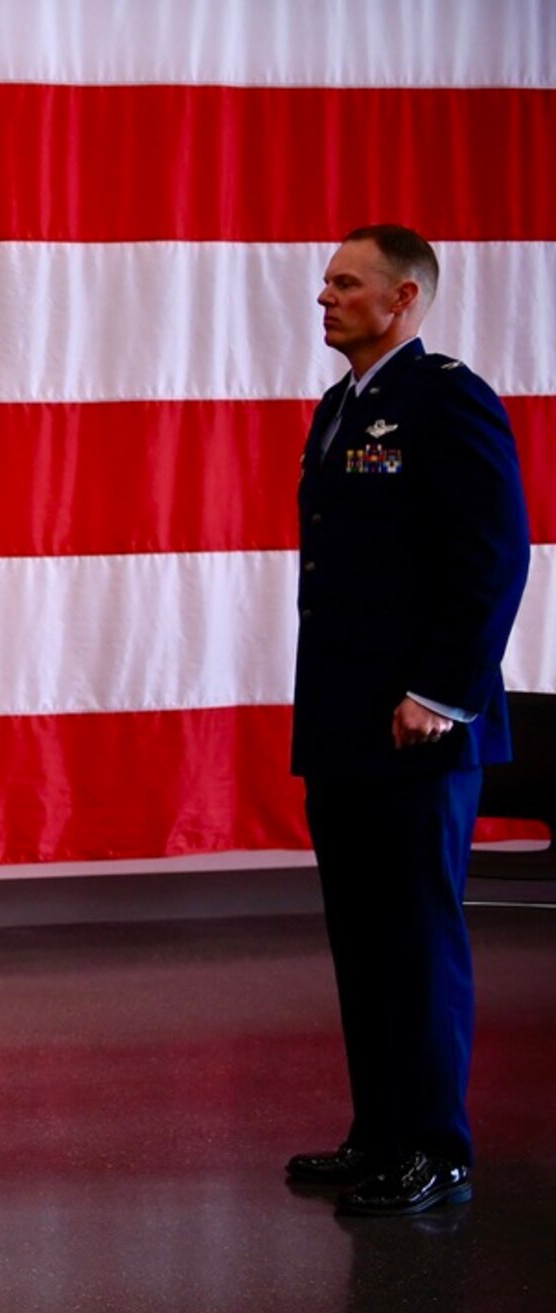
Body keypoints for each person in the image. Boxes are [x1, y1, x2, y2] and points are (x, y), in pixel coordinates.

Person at [283, 224, 530, 1217]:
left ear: (403, 300)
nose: (323, 297)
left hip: (417, 729)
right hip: (347, 725)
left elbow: (491, 556)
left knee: (417, 939)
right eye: (325, 282)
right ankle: (377, 1129)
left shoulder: (445, 398)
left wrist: (438, 691)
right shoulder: (343, 408)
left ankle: (435, 1143)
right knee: (361, 936)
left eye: (346, 284)